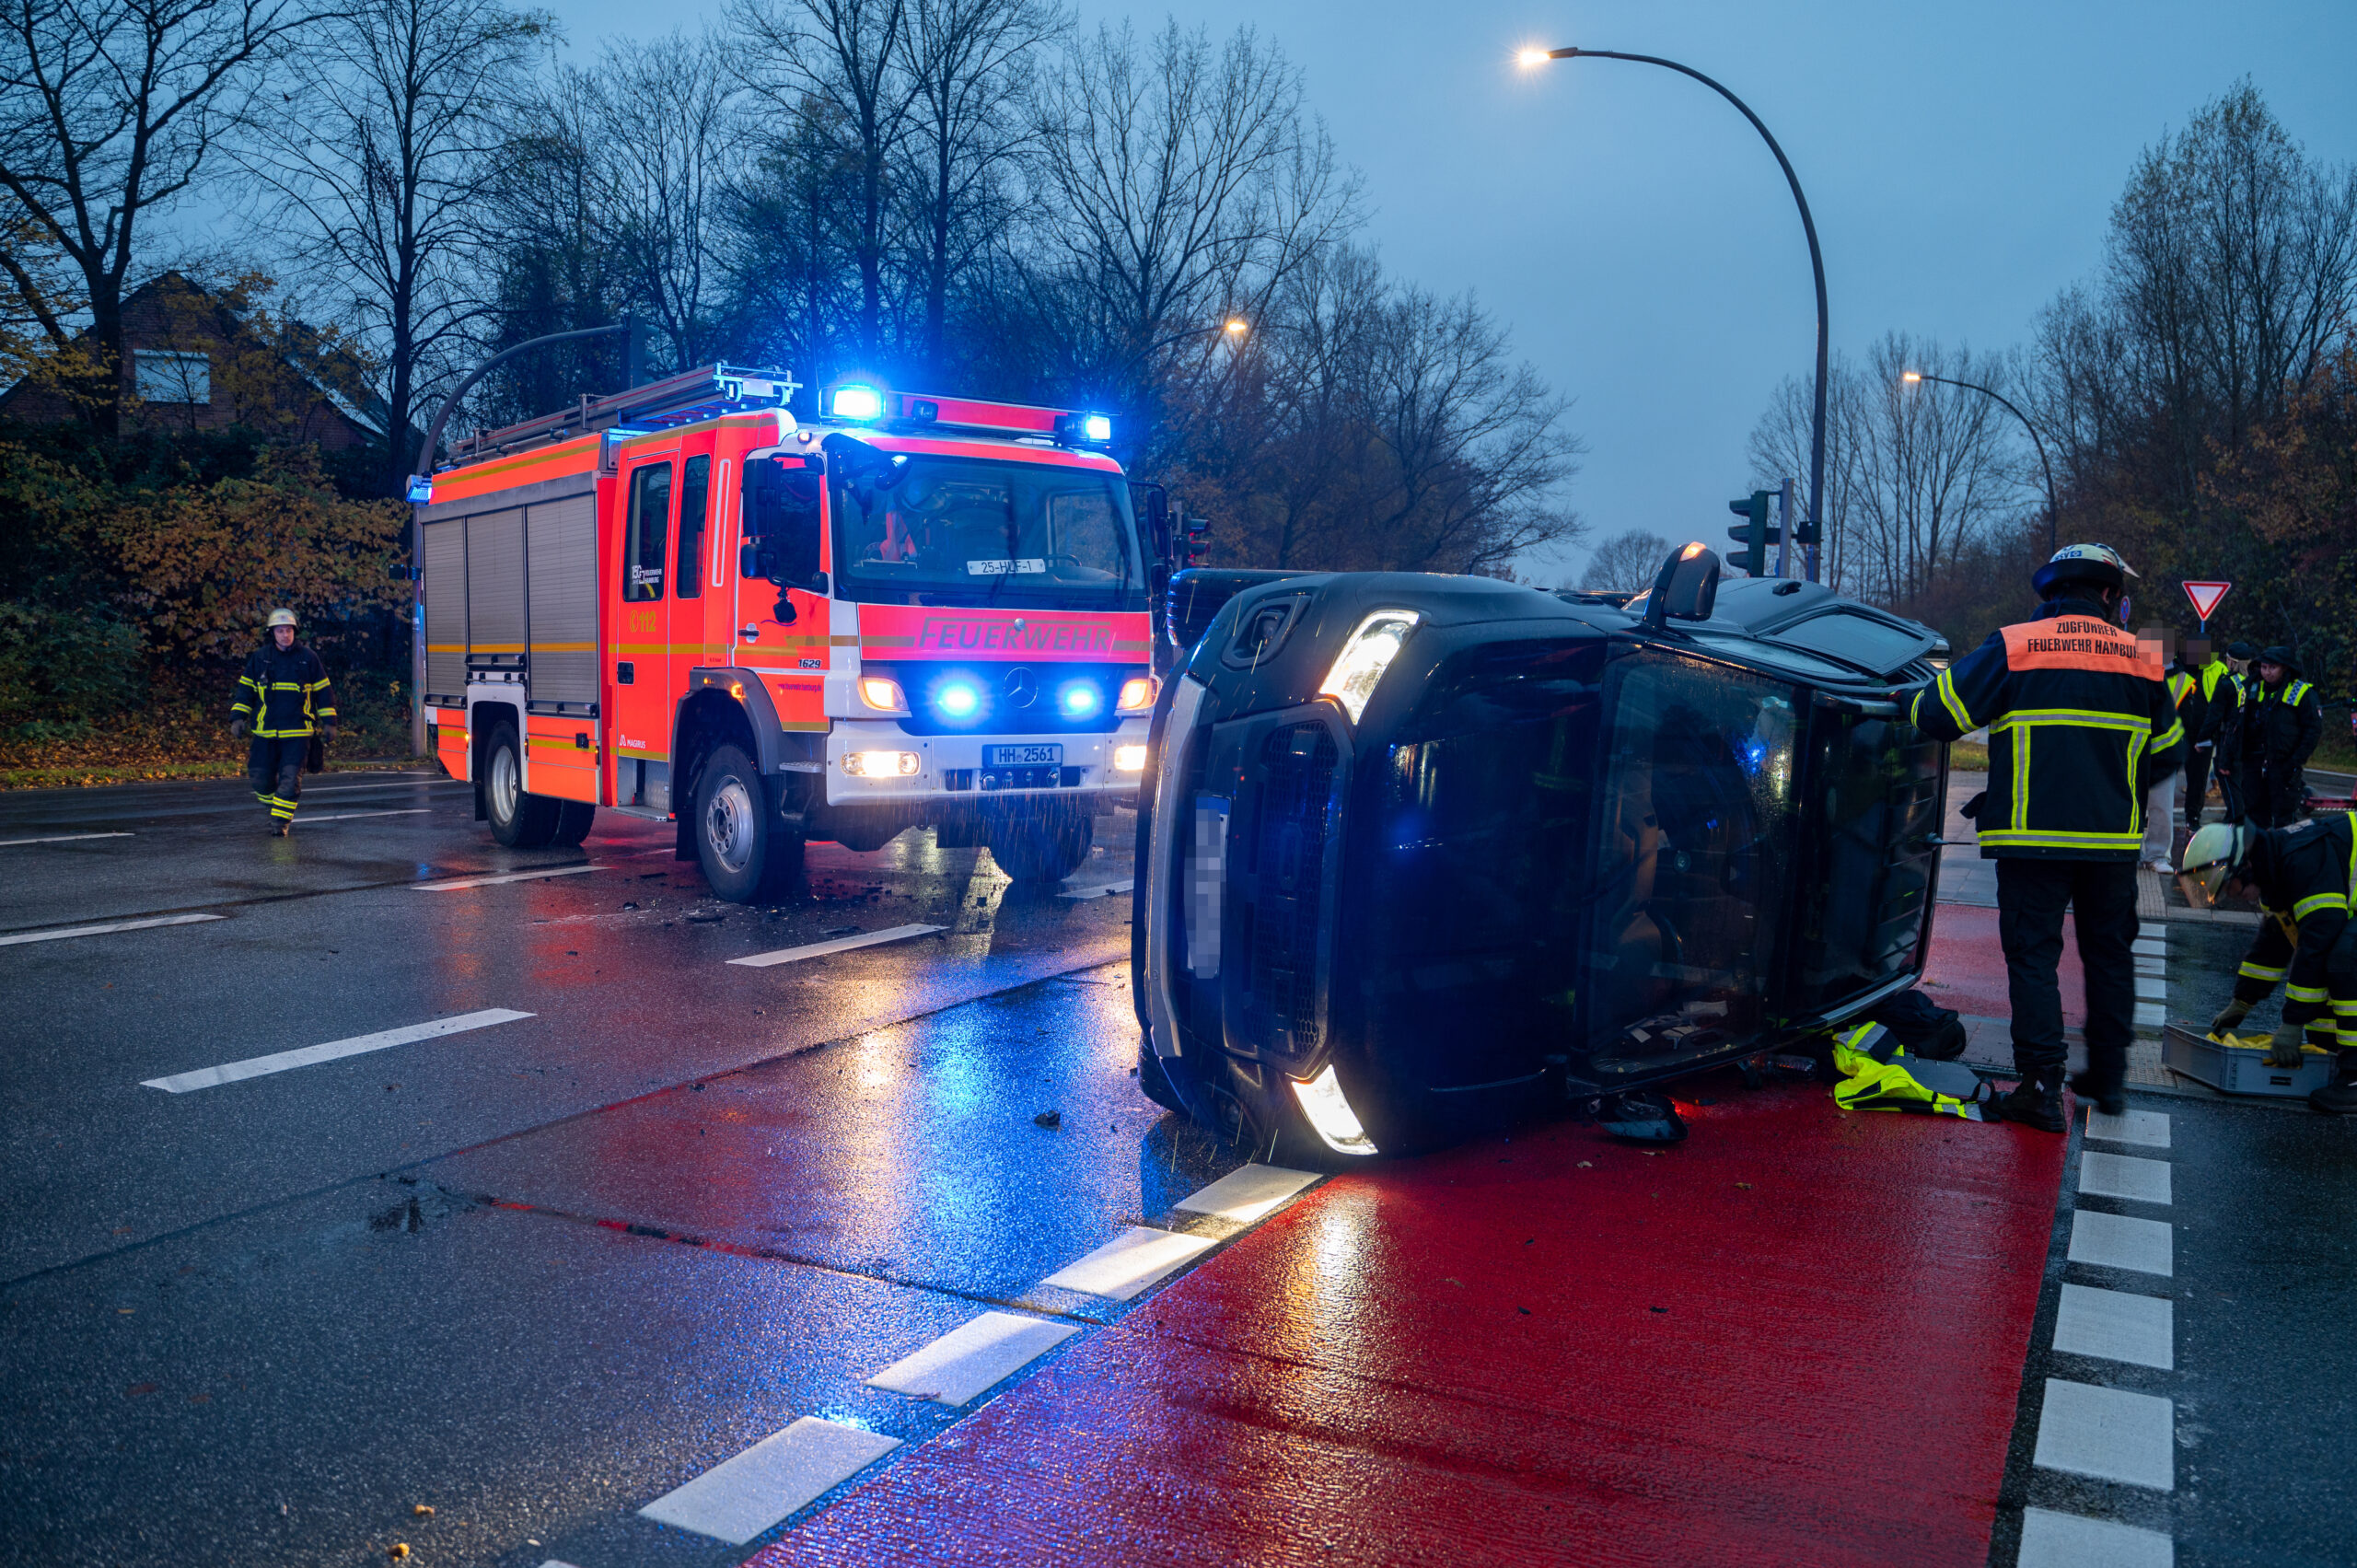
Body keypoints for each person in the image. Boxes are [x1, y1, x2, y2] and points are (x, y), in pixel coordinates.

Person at [1910, 544, 2183, 1128]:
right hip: (2110, 844)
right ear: (2110, 596)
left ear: (2050, 594)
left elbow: (1937, 714)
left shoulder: (2015, 646)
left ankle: (2039, 1084)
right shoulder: (2144, 658)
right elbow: (2168, 755)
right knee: (2109, 957)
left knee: (2034, 957)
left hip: (2031, 840)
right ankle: (2107, 1081)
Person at [2179, 813, 2357, 1113]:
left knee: (2343, 957)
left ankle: (2354, 1078)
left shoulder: (2302, 863)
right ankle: (2336, 1057)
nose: (2232, 897)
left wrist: (2291, 1023)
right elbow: (2274, 945)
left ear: (2245, 867)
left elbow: (2317, 944)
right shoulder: (2277, 868)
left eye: (2229, 887)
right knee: (2325, 981)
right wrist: (2242, 1002)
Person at [228, 608, 336, 835]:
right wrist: (238, 717)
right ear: (273, 633)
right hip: (265, 732)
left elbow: (323, 692)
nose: (285, 635)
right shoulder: (260, 658)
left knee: (289, 780)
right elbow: (245, 690)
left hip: (297, 734)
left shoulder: (308, 658)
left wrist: (329, 721)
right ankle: (275, 808)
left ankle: (280, 824)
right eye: (280, 631)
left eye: (288, 630)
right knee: (259, 778)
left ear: (294, 632)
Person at [2238, 645, 2323, 829]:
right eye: (2264, 667)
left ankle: (2283, 857)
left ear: (2284, 668)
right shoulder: (2252, 688)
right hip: (2254, 763)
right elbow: (2237, 724)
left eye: (2272, 668)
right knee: (2253, 817)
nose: (2267, 673)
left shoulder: (2301, 692)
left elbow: (2313, 730)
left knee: (2285, 822)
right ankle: (2257, 856)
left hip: (2284, 766)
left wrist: (2295, 761)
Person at [2139, 633, 2198, 872]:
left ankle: (2156, 855)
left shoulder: (2184, 679)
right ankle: (2130, 851)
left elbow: (2190, 718)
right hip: (2135, 747)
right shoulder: (2136, 671)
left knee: (2161, 806)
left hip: (2165, 748)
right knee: (2132, 805)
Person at [2181, 637, 2231, 831]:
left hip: (2205, 734)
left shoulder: (2219, 670)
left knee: (2198, 778)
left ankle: (2192, 817)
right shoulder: (2180, 666)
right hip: (2179, 731)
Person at [2214, 641, 2257, 823]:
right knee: (2241, 782)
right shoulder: (2255, 683)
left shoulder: (2228, 683)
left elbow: (2216, 715)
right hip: (2250, 739)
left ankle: (2235, 819)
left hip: (2231, 735)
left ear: (2233, 662)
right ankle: (2237, 817)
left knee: (2228, 779)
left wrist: (2202, 737)